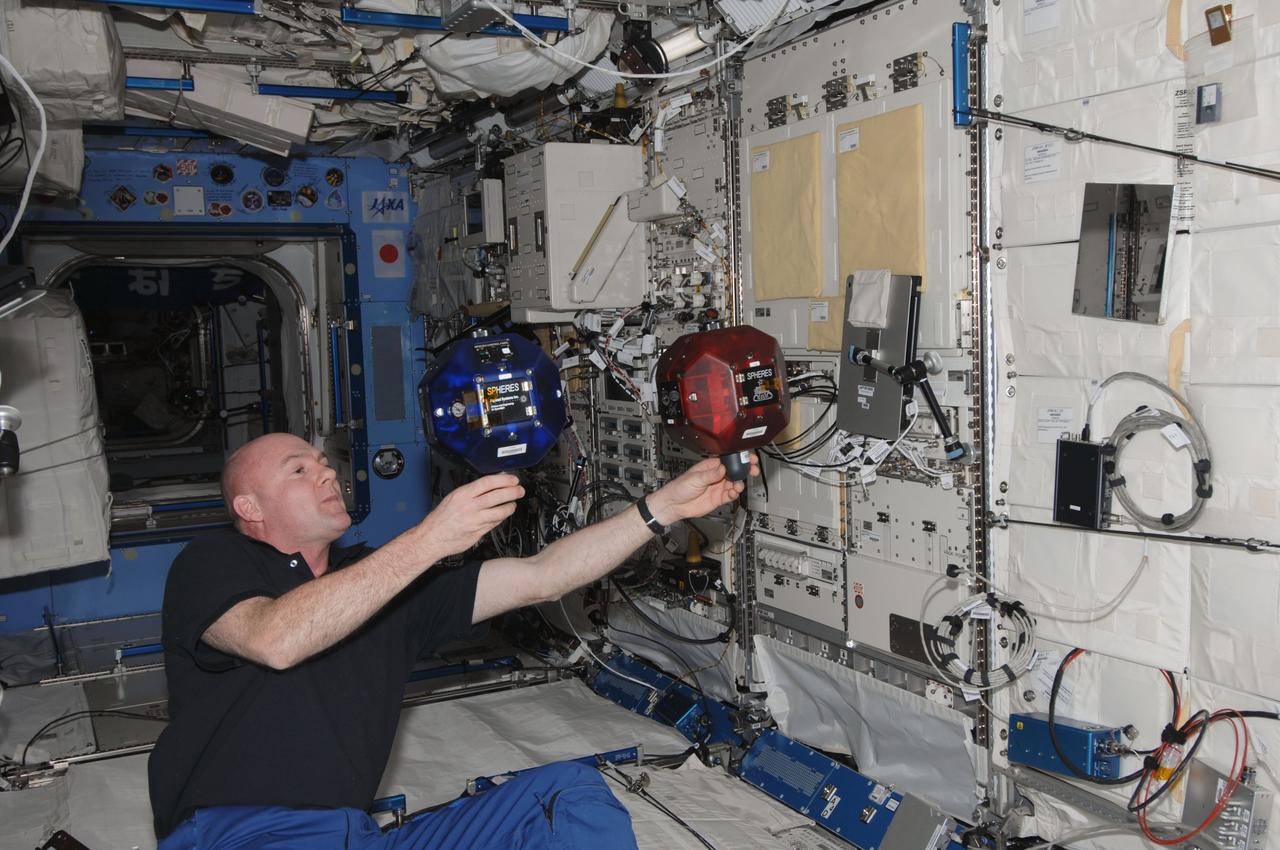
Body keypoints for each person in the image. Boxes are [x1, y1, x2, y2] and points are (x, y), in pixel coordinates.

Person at [149, 431, 757, 850]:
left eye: (324, 461)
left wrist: (663, 509)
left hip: (356, 834)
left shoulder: (389, 588)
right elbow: (275, 637)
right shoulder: (213, 562)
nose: (326, 470)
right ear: (248, 506)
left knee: (564, 795)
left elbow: (545, 575)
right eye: (299, 468)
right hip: (240, 834)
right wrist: (430, 539)